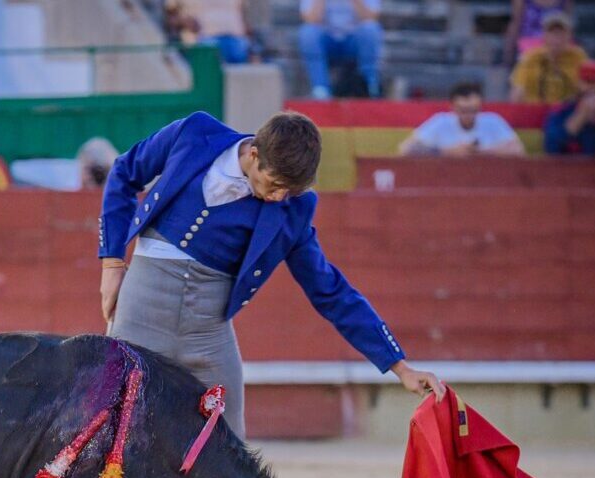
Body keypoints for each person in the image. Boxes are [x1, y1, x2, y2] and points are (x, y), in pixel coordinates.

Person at [98, 111, 444, 441]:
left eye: (289, 191)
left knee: (229, 447)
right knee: (107, 424)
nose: (279, 196)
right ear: (253, 153)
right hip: (142, 307)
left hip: (207, 332)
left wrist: (400, 367)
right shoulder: (194, 132)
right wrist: (112, 263)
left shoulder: (292, 209)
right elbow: (125, 171)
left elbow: (331, 290)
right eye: (275, 183)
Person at [398, 82, 526, 157]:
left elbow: (518, 150)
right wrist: (447, 151)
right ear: (452, 107)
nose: (469, 115)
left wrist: (480, 152)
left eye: (473, 110)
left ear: (480, 107)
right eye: (463, 111)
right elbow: (407, 149)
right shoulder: (441, 122)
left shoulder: (492, 121)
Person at [297, 0, 384, 98]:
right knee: (308, 32)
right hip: (327, 43)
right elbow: (311, 19)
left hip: (354, 43)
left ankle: (369, 84)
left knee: (370, 29)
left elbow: (371, 17)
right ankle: (320, 89)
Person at [509, 12, 589, 104]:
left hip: (566, 110)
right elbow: (517, 91)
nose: (557, 38)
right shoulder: (530, 58)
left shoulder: (578, 57)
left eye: (561, 33)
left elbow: (591, 86)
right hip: (536, 110)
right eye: (553, 33)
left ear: (569, 36)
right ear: (544, 35)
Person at [165, 0, 255, 64]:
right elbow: (170, 19)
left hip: (237, 41)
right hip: (202, 41)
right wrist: (185, 22)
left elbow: (243, 15)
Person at [504, 0, 575, 62]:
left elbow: (567, 24)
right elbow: (516, 23)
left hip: (557, 42)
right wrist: (509, 54)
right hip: (529, 43)